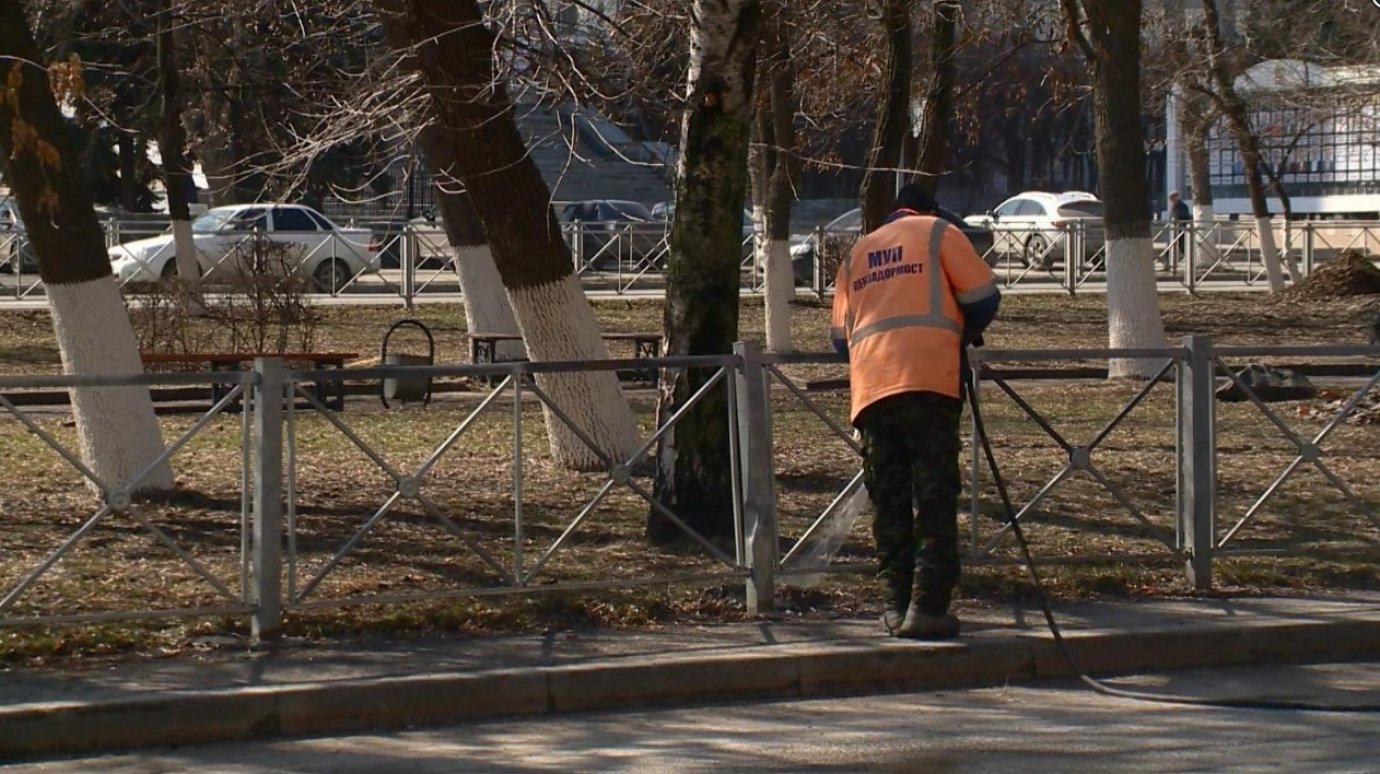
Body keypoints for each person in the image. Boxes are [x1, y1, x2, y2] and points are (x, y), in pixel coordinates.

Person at [830, 184, 1000, 640]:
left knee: (889, 499)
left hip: (871, 390)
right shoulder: (937, 233)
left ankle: (893, 606)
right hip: (929, 382)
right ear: (926, 210)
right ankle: (927, 607)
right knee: (933, 494)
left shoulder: (857, 253)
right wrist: (958, 333)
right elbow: (984, 299)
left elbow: (840, 341)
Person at [1168, 191, 1191, 268]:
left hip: (1181, 228)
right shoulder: (1174, 205)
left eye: (1172, 198)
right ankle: (1168, 261)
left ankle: (1187, 258)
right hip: (1174, 229)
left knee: (1182, 245)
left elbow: (1184, 216)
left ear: (1176, 197)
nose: (1171, 200)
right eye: (1170, 198)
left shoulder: (1182, 206)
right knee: (1170, 245)